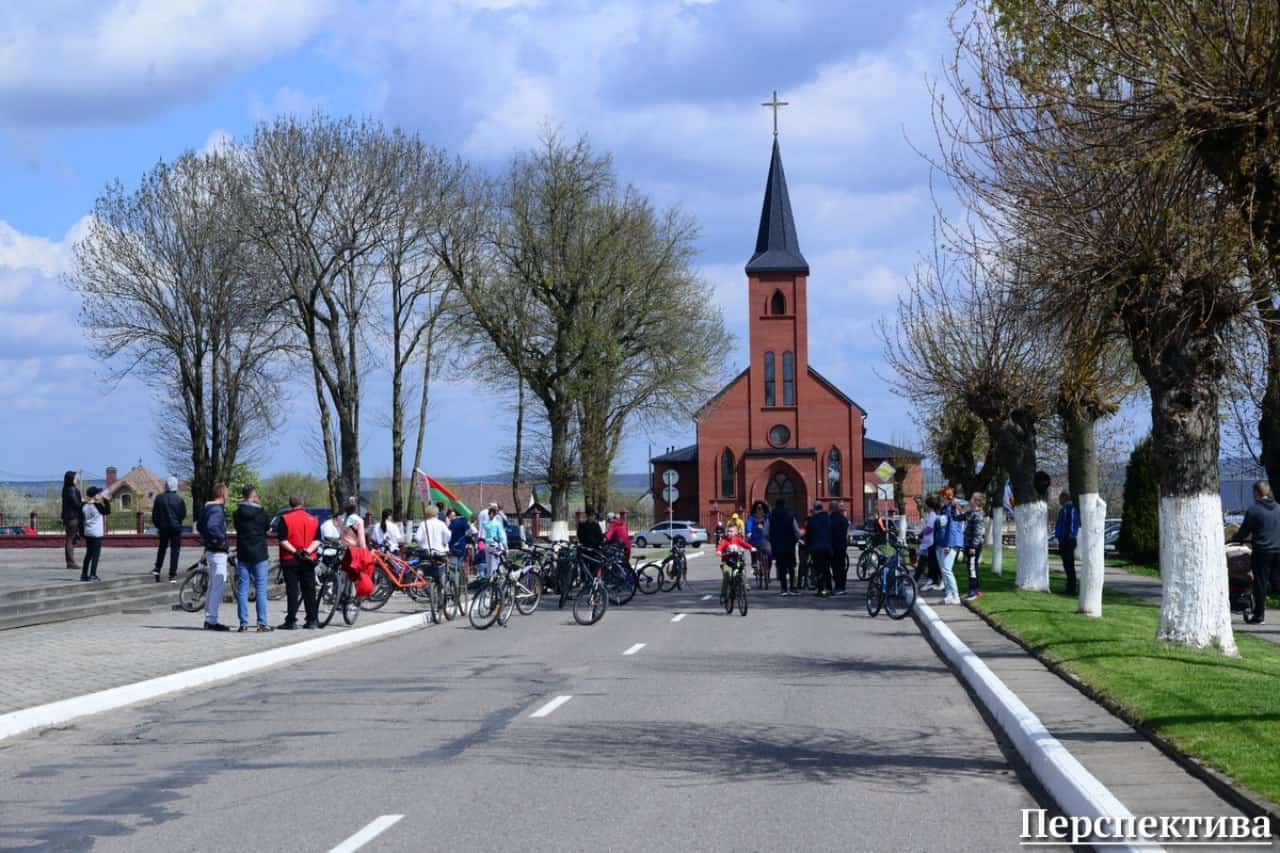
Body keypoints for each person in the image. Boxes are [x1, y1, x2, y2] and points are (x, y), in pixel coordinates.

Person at [1229, 480, 1280, 625]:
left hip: (1262, 551)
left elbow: (1244, 532)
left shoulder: (1254, 510)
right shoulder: (1278, 508)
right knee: (1277, 582)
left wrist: (1234, 538)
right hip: (1278, 550)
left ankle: (1259, 616)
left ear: (1256, 493)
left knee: (1260, 583)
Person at [274, 495, 321, 629]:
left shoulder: (285, 519)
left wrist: (295, 551)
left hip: (290, 559)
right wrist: (307, 551)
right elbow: (317, 540)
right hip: (308, 558)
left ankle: (291, 620)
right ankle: (312, 619)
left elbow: (282, 540)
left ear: (290, 504)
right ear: (303, 503)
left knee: (292, 590)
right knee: (309, 589)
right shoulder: (313, 519)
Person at [232, 485, 272, 633]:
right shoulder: (262, 513)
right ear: (253, 496)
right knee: (260, 588)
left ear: (243, 496)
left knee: (243, 588)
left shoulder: (237, 513)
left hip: (243, 553)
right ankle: (261, 623)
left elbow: (238, 529)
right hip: (260, 554)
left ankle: (243, 624)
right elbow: (268, 530)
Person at [196, 483, 231, 631]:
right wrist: (220, 540)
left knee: (212, 586)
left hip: (210, 550)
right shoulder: (217, 509)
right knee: (218, 585)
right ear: (222, 495)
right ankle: (211, 620)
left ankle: (209, 617)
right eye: (227, 494)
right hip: (218, 552)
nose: (228, 496)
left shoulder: (207, 508)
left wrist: (207, 539)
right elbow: (212, 527)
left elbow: (200, 526)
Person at [151, 476, 187, 583]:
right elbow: (182, 514)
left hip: (163, 527)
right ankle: (172, 574)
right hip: (175, 527)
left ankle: (157, 568)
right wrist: (178, 522)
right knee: (175, 550)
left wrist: (158, 525)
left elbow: (155, 515)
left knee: (162, 547)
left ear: (166, 485)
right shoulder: (179, 499)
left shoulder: (159, 498)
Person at [934, 487, 964, 605]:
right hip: (941, 542)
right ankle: (949, 594)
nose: (939, 498)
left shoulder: (953, 509)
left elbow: (952, 528)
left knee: (947, 569)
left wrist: (948, 545)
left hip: (950, 543)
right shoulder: (944, 508)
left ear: (945, 496)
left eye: (941, 495)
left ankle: (956, 596)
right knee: (944, 570)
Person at [768, 498, 801, 595]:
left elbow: (766, 531)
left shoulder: (771, 516)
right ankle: (793, 588)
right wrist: (797, 539)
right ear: (784, 505)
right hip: (789, 544)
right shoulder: (790, 515)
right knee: (791, 566)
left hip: (777, 545)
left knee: (781, 567)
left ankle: (784, 589)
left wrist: (771, 540)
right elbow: (797, 531)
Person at [716, 523, 755, 604]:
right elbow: (720, 547)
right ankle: (723, 595)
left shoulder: (737, 539)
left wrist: (751, 548)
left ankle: (745, 583)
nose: (729, 533)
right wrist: (719, 551)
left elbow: (744, 544)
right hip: (727, 563)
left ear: (735, 532)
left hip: (737, 561)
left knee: (742, 567)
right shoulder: (724, 540)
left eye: (731, 531)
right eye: (728, 531)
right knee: (727, 576)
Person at [80, 486, 110, 582]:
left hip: (88, 532)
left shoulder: (84, 505)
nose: (100, 495)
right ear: (95, 495)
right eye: (99, 494)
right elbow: (107, 511)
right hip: (96, 533)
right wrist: (106, 500)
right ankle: (93, 574)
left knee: (88, 554)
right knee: (96, 555)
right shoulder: (97, 506)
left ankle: (84, 574)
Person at [805, 501, 833, 597]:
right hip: (827, 547)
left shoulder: (812, 520)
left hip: (816, 548)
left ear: (814, 509)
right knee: (827, 568)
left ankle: (821, 589)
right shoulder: (828, 518)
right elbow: (832, 532)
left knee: (819, 569)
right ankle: (829, 588)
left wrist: (807, 548)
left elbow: (808, 535)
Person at [1054, 491, 1080, 596]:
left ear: (1064, 498)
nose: (1059, 501)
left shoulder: (1069, 508)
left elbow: (1072, 523)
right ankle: (1069, 587)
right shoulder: (1064, 509)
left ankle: (1072, 588)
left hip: (1067, 540)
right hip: (1064, 540)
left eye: (1060, 498)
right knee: (1067, 565)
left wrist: (1069, 535)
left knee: (1069, 565)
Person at [963, 492, 987, 602]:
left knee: (972, 568)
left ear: (977, 502)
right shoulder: (970, 512)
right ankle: (976, 590)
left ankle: (973, 591)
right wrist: (953, 506)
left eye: (972, 499)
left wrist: (973, 546)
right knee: (971, 567)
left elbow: (978, 533)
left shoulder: (978, 514)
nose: (970, 500)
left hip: (974, 545)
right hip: (969, 544)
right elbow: (957, 517)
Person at [916, 495, 941, 590]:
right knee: (930, 564)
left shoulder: (932, 515)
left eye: (925, 504)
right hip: (927, 542)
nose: (924, 506)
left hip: (929, 543)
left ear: (929, 505)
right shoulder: (929, 514)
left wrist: (921, 534)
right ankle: (933, 580)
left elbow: (929, 529)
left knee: (923, 563)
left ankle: (915, 580)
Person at [745, 501, 771, 587]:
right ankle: (754, 564)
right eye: (758, 508)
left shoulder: (767, 517)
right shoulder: (752, 518)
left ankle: (767, 571)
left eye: (762, 508)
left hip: (766, 539)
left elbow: (772, 522)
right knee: (753, 550)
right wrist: (749, 532)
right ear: (755, 509)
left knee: (770, 554)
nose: (760, 510)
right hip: (755, 539)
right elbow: (748, 525)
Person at [61, 470, 83, 570]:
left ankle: (70, 561)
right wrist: (83, 503)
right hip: (72, 517)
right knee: (70, 539)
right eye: (76, 477)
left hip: (68, 516)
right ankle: (70, 562)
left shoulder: (66, 488)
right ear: (72, 479)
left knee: (71, 539)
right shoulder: (71, 490)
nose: (77, 479)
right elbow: (76, 504)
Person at [829, 501, 851, 596]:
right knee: (842, 566)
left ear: (831, 509)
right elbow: (846, 533)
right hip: (842, 546)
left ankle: (837, 586)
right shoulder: (844, 520)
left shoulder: (830, 519)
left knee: (835, 567)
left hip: (833, 546)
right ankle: (842, 586)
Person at [482, 506, 507, 576]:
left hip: (487, 545)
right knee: (495, 565)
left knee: (488, 564)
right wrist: (505, 547)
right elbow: (501, 536)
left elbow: (485, 524)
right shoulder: (497, 524)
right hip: (495, 545)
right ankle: (493, 579)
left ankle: (489, 578)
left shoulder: (485, 523)